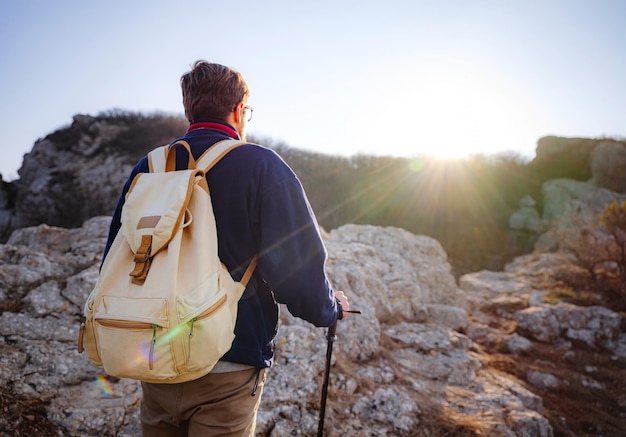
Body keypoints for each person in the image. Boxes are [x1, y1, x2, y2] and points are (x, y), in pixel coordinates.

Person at [102, 60, 350, 436]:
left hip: (155, 355)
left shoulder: (149, 167)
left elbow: (114, 260)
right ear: (238, 111)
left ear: (190, 109)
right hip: (228, 362)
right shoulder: (262, 165)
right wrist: (330, 310)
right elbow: (296, 274)